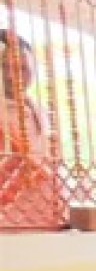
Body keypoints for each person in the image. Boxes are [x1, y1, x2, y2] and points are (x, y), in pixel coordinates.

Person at [0, 30, 66, 224]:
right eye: (5, 67)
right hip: (8, 221)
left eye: (22, 68)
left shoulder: (43, 113)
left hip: (49, 216)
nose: (12, 76)